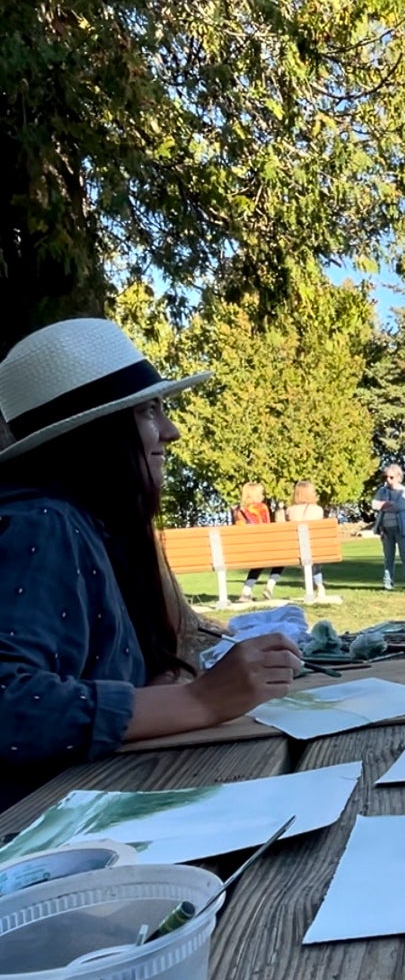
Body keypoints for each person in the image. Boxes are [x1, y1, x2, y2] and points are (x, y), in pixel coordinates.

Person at [0, 317, 300, 809]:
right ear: (96, 435)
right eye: (149, 411)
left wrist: (155, 687)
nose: (171, 431)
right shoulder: (42, 523)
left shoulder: (87, 526)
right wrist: (200, 700)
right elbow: (10, 704)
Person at [371, 463, 405, 590]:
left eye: (391, 477)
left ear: (398, 477)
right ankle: (388, 581)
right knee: (388, 557)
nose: (388, 480)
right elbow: (374, 504)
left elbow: (400, 506)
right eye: (386, 477)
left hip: (403, 528)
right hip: (386, 529)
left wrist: (385, 505)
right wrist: (389, 504)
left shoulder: (404, 491)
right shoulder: (382, 490)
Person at [233, 481, 283, 602]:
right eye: (261, 494)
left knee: (258, 563)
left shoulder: (240, 511)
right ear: (254, 495)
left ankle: (246, 592)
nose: (263, 496)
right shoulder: (262, 508)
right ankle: (270, 586)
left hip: (248, 550)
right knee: (281, 559)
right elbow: (267, 527)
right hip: (264, 546)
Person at [285, 478, 333, 602]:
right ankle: (320, 586)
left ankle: (315, 585)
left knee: (307, 555)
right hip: (315, 548)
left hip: (296, 550)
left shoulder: (290, 511)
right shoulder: (318, 510)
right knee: (313, 557)